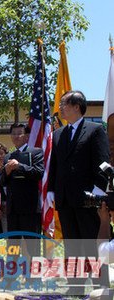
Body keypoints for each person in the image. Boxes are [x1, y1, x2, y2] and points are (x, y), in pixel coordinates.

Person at [48, 90, 110, 287]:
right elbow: (55, 165)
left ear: (77, 107)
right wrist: (51, 189)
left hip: (88, 198)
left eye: (64, 104)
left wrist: (99, 190)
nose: (60, 108)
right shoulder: (58, 134)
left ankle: (100, 285)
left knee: (92, 242)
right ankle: (76, 285)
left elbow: (102, 162)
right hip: (65, 199)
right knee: (72, 245)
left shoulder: (95, 130)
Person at [0, 124, 44, 256]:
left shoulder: (36, 152)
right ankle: (12, 275)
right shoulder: (8, 157)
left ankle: (34, 276)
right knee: (12, 246)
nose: (16, 136)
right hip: (13, 209)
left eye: (19, 133)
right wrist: (6, 172)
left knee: (33, 246)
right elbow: (2, 182)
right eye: (13, 133)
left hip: (30, 207)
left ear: (26, 136)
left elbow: (38, 173)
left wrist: (19, 166)